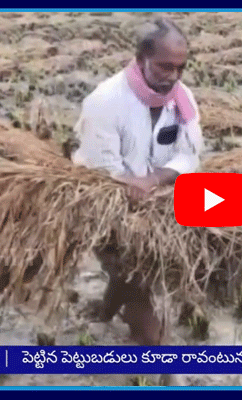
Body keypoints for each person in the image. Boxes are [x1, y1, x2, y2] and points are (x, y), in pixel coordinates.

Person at [71, 17, 204, 346]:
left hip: (158, 201)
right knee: (137, 283)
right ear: (140, 58)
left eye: (180, 68)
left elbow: (190, 155)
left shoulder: (182, 99)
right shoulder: (105, 102)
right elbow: (98, 169)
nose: (172, 77)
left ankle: (105, 312)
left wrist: (156, 179)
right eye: (164, 67)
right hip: (108, 208)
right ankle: (154, 354)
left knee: (131, 275)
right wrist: (130, 187)